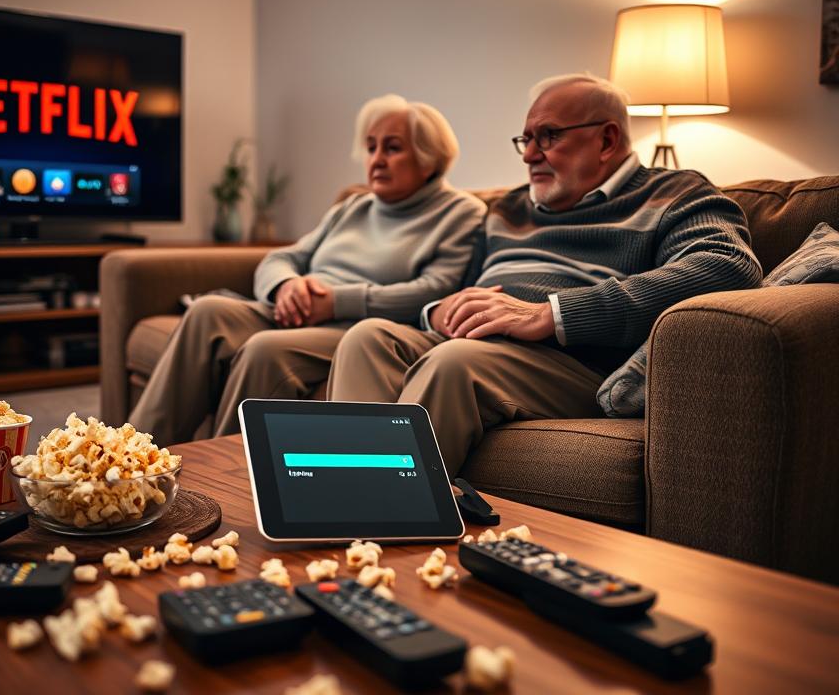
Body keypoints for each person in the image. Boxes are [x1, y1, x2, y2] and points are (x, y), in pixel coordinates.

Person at [327, 73, 763, 475]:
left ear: (607, 140)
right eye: (526, 139)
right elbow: (463, 286)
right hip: (478, 342)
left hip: (572, 361)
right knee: (368, 339)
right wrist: (439, 311)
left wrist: (551, 314)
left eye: (549, 137)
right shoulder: (507, 208)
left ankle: (375, 521)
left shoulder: (676, 192)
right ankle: (333, 501)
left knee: (455, 363)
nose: (530, 155)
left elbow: (728, 266)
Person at [129, 94, 487, 446]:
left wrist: (336, 303)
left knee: (264, 349)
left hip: (354, 329)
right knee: (208, 311)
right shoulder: (354, 207)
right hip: (296, 310)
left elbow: (436, 290)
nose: (376, 160)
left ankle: (228, 481)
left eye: (392, 148)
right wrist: (286, 286)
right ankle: (133, 457)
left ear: (429, 159)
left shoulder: (460, 212)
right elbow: (281, 258)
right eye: (371, 147)